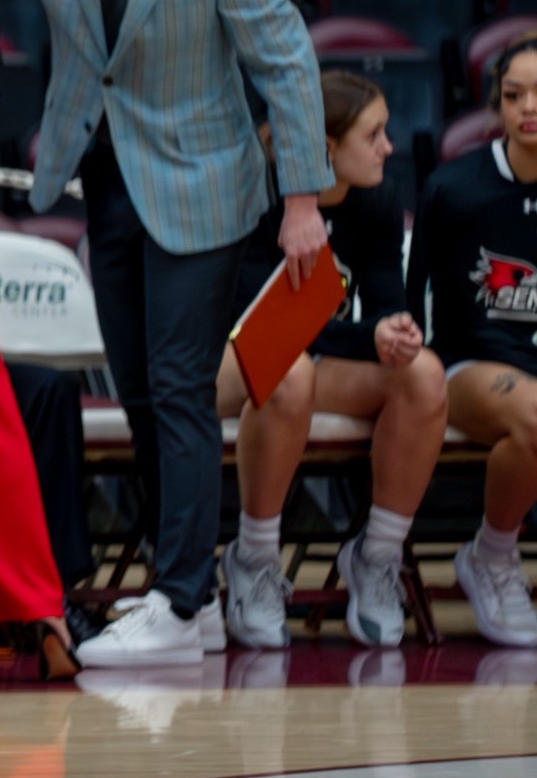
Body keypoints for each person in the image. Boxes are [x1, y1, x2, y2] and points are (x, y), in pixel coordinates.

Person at [0, 0, 331, 667]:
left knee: (177, 387)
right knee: (137, 390)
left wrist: (301, 200)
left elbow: (287, 63)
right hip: (104, 183)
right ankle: (191, 601)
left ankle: (179, 594)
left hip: (203, 183)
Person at [212, 71, 447, 649]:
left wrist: (395, 334)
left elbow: (386, 307)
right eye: (373, 135)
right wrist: (368, 339)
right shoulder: (257, 190)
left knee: (421, 373)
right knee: (287, 373)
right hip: (226, 359)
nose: (388, 147)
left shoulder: (379, 197)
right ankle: (254, 558)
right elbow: (254, 326)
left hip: (317, 358)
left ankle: (377, 556)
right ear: (326, 147)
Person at [406, 36, 537, 648]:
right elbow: (410, 298)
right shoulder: (455, 188)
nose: (529, 107)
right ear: (496, 104)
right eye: (514, 95)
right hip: (468, 366)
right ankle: (493, 554)